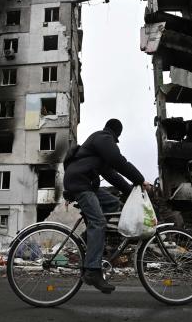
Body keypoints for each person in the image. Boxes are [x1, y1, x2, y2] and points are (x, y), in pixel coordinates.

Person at [63, 118, 152, 293]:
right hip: (80, 182)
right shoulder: (103, 138)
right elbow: (118, 161)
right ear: (116, 133)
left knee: (113, 204)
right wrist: (140, 180)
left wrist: (131, 190)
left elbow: (112, 175)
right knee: (99, 222)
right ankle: (93, 271)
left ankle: (87, 240)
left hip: (84, 182)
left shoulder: (99, 149)